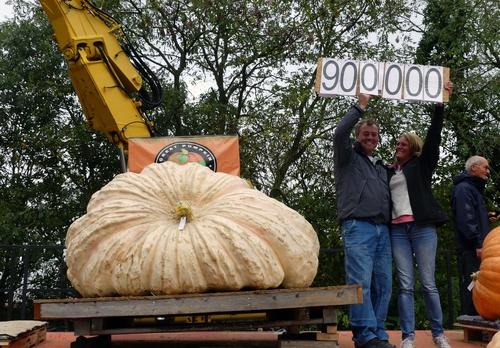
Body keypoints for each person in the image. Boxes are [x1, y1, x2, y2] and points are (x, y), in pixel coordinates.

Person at [388, 81, 453, 348]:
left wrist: (439, 106)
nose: (399, 145)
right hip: (397, 230)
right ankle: (408, 337)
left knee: (428, 283)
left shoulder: (422, 165)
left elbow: (434, 138)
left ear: (413, 148)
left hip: (423, 228)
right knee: (405, 285)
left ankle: (438, 335)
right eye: (397, 143)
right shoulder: (389, 171)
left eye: (404, 143)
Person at [334, 94, 394, 348]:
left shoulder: (381, 166)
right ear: (358, 136)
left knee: (384, 284)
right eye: (366, 134)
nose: (370, 138)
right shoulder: (347, 157)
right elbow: (339, 134)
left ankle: (378, 331)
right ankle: (364, 334)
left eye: (374, 135)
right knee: (361, 282)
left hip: (383, 229)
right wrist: (360, 106)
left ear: (379, 139)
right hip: (358, 227)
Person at [451, 155, 491, 316]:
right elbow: (466, 220)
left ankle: (477, 321)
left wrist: (486, 216)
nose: (488, 172)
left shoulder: (472, 189)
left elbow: (472, 215)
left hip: (475, 247)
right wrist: (478, 244)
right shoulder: (464, 189)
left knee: (480, 286)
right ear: (474, 167)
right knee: (472, 286)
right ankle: (472, 323)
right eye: (485, 167)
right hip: (471, 249)